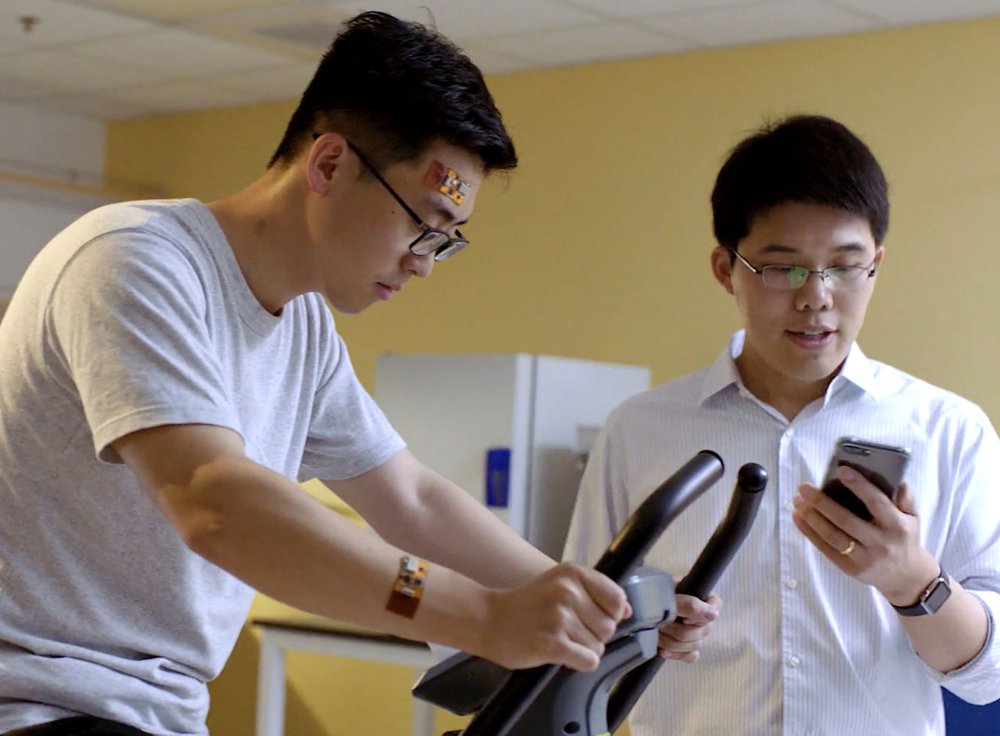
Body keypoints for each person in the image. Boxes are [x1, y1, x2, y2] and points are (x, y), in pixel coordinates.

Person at [0, 12, 630, 736]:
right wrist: (482, 615)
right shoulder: (133, 260)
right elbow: (216, 503)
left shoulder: (303, 327)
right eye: (422, 224)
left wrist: (590, 606)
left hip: (155, 714)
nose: (424, 261)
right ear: (328, 165)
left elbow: (412, 499)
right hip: (38, 703)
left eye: (447, 242)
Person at [564, 114, 1000, 735]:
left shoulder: (950, 430)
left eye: (846, 266)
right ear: (726, 269)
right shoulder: (640, 430)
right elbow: (575, 637)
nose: (816, 296)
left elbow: (990, 679)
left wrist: (913, 581)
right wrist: (640, 631)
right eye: (783, 267)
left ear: (876, 264)